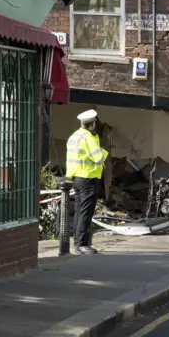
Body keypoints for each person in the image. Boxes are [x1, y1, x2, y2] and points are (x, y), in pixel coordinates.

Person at [66, 109, 109, 255]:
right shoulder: (88, 138)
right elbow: (98, 158)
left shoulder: (74, 136)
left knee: (79, 211)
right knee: (86, 212)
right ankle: (83, 244)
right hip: (88, 178)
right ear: (93, 123)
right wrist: (103, 151)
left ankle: (78, 243)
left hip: (76, 178)